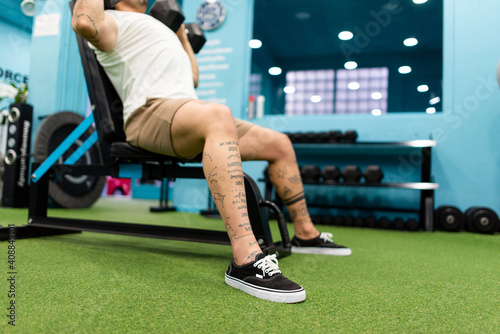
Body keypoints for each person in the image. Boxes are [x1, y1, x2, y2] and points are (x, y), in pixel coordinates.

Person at [72, 0, 351, 303]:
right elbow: (84, 22)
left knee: (279, 143)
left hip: (183, 109)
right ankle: (244, 260)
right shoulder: (111, 19)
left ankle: (305, 233)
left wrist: (178, 32)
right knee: (218, 114)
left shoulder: (158, 27)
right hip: (148, 112)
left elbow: (193, 78)